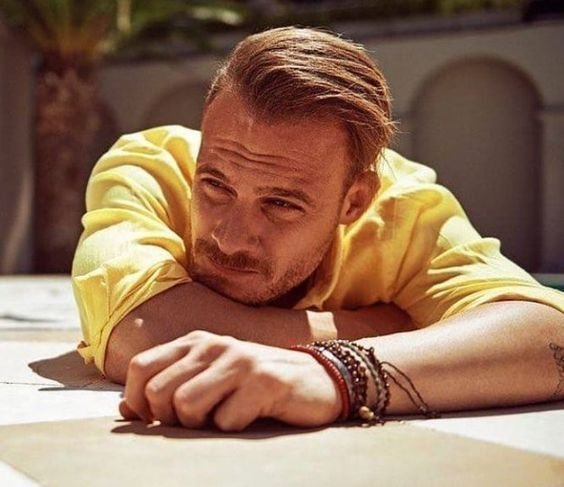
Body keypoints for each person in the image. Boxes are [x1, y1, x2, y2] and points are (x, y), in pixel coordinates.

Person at [72, 27, 564, 432]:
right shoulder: (149, 166)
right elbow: (140, 334)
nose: (230, 238)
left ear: (354, 201)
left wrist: (336, 373)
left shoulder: (405, 209)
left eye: (280, 204)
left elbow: (548, 339)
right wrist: (374, 328)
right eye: (215, 185)